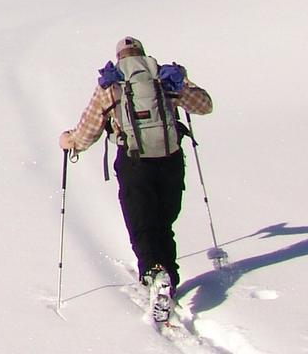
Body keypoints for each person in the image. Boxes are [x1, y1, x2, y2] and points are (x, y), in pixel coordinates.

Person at [58, 36, 213, 293]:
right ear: (142, 53)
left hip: (134, 162)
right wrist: (183, 80)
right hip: (170, 159)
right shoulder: (165, 77)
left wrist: (70, 141)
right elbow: (205, 105)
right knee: (163, 221)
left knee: (141, 222)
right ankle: (169, 278)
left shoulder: (111, 84)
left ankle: (154, 273)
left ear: (119, 57)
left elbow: (89, 130)